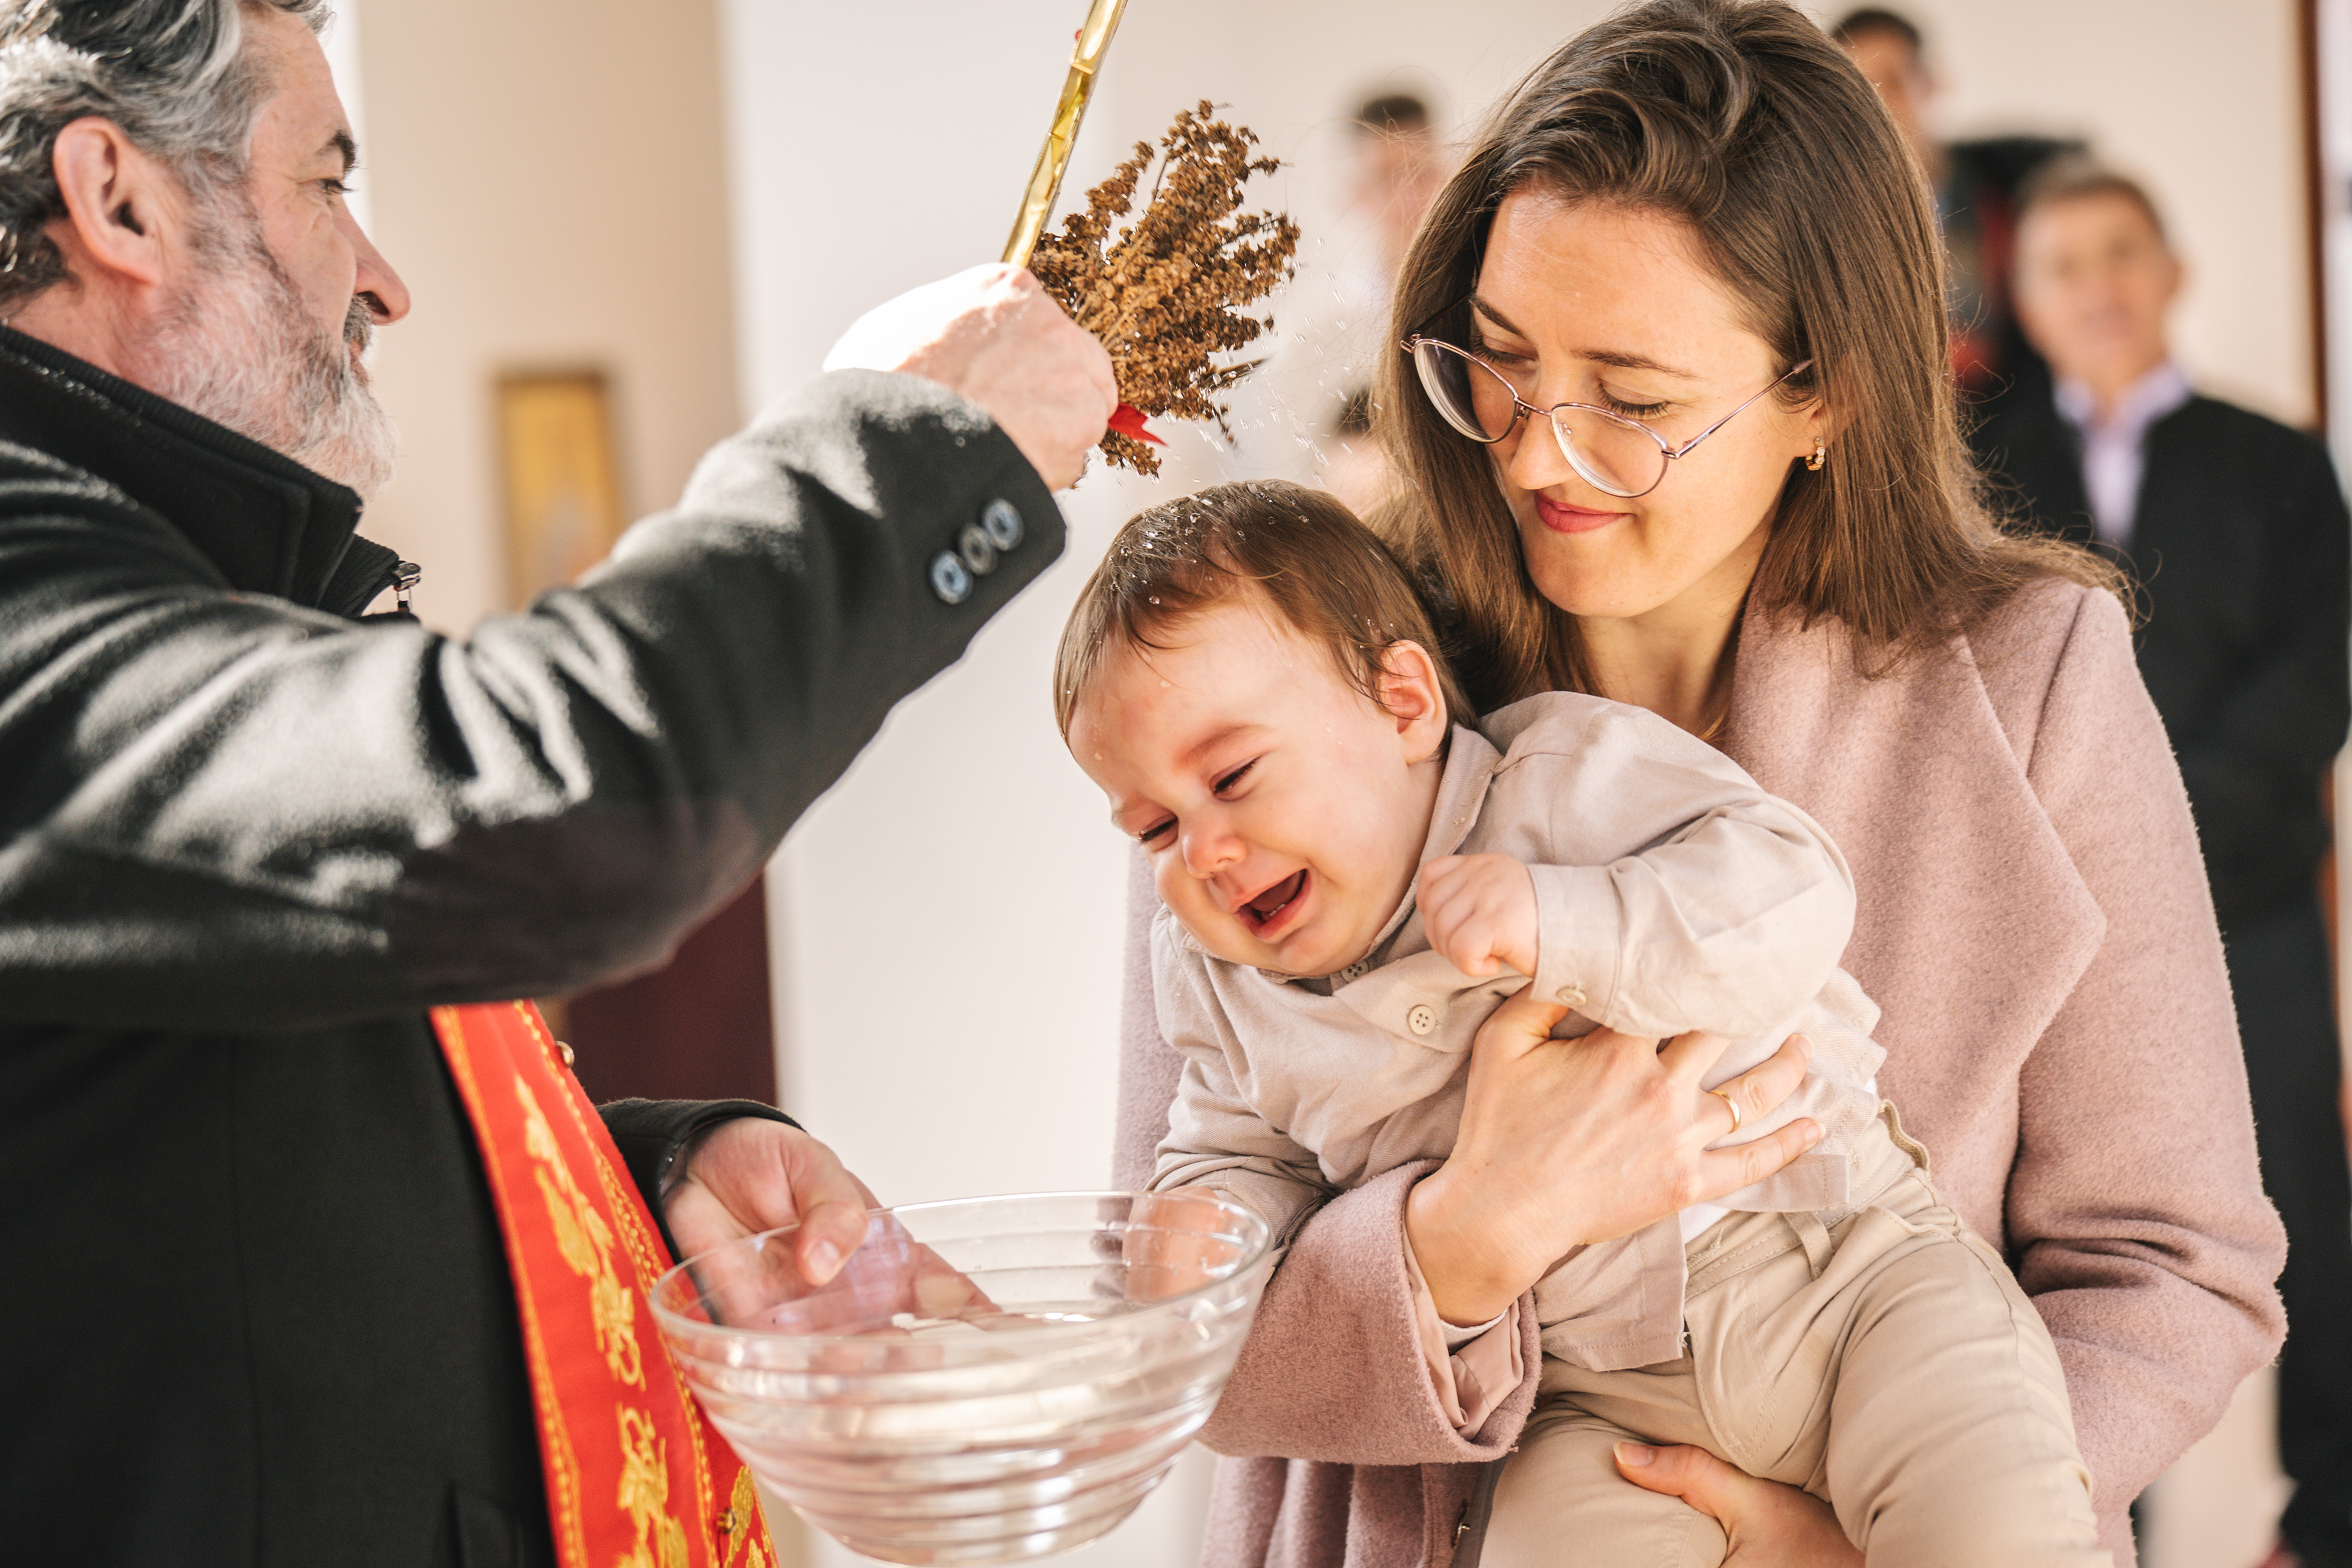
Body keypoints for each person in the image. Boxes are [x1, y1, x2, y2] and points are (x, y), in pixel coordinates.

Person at [1107, 3, 2286, 1564]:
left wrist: (1851, 1537)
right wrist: (1458, 1242)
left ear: (1826, 393)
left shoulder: (2032, 677)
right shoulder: (1298, 691)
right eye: (1501, 362)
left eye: (1635, 400)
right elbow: (1174, 1319)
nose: (1538, 453)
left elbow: (2172, 1261)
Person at [0, 1, 1117, 1564]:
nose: (383, 278)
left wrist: (639, 1176)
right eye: (327, 182)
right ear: (117, 201)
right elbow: (540, 805)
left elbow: (220, 1112)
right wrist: (915, 446)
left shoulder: (166, 576)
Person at [1064, 482, 2105, 1564]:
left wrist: (1563, 917)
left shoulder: (1560, 779)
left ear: (1405, 705)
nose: (1204, 853)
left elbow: (1795, 889)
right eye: (1153, 830)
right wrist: (1206, 1227)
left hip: (1850, 1275)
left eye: (1233, 776)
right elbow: (1238, 1149)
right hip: (1597, 1392)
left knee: (1997, 1532)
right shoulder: (1221, 982)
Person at [1993, 157, 2352, 1568]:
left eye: (2119, 253)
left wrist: (2149, 830)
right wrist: (2086, 847)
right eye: (2063, 264)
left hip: (2254, 909)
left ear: (2171, 270)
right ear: (2026, 297)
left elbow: (2313, 682)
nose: (2096, 286)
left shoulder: (2277, 460)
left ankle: (2328, 1521)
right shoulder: (1981, 469)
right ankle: (2083, 1528)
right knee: (2066, 1231)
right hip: (2051, 927)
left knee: (2304, 1206)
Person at [1831, 8, 2076, 468]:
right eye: (1859, 91)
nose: (1879, 106)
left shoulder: (2005, 189)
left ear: (1931, 84)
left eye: (1894, 82)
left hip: (2020, 440)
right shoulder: (1827, 218)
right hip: (1888, 448)